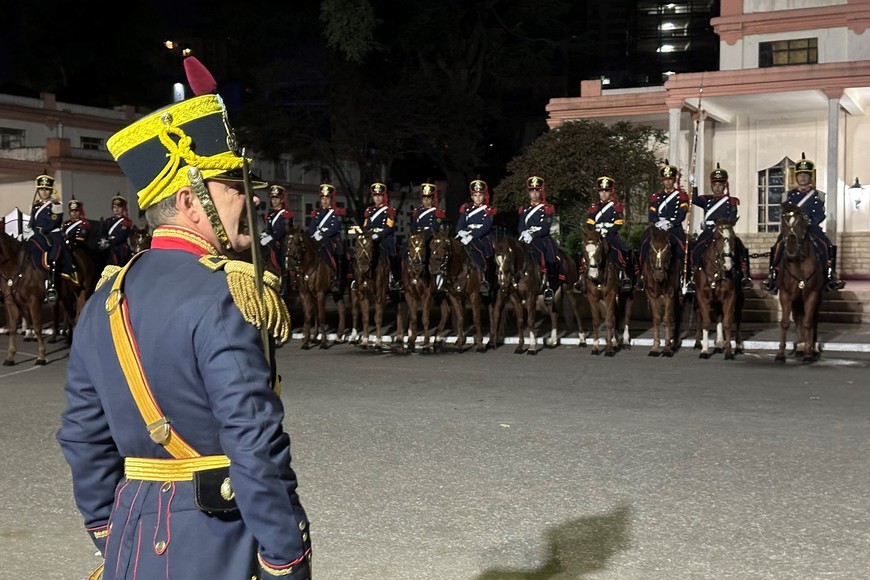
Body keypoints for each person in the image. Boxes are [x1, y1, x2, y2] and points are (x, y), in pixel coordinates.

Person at [56, 55, 311, 580]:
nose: (251, 200)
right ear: (190, 200)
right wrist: (285, 559)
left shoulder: (107, 296)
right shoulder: (223, 292)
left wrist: (111, 529)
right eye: (235, 188)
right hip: (221, 543)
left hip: (129, 538)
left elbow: (82, 435)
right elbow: (253, 445)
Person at [762, 153, 845, 293]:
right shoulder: (787, 195)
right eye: (800, 175)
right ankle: (773, 275)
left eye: (806, 175)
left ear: (810, 177)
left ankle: (830, 276)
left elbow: (820, 213)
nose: (803, 177)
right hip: (793, 227)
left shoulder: (818, 195)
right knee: (779, 245)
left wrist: (810, 221)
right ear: (796, 177)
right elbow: (785, 214)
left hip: (811, 227)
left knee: (826, 244)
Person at [688, 164, 753, 291]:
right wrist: (693, 184)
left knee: (740, 248)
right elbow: (694, 199)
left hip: (724, 231)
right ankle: (692, 277)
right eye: (715, 184)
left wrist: (722, 227)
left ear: (724, 186)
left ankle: (745, 276)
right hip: (708, 232)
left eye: (720, 184)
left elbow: (732, 217)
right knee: (697, 248)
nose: (717, 187)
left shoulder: (731, 201)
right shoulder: (706, 200)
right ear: (712, 186)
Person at [636, 161, 689, 291]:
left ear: (674, 180)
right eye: (665, 180)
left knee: (683, 248)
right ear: (662, 181)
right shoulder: (656, 197)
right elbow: (652, 212)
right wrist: (658, 222)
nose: (668, 182)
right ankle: (641, 276)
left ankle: (686, 276)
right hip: (658, 226)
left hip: (674, 227)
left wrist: (671, 223)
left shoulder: (681, 196)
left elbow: (682, 213)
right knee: (644, 242)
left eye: (670, 180)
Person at [578, 176, 636, 292]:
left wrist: (608, 231)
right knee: (583, 253)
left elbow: (619, 222)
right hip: (597, 237)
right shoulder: (594, 207)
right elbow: (590, 222)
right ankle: (580, 279)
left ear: (611, 192)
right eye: (601, 191)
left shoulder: (616, 207)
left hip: (611, 236)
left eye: (606, 191)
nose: (603, 193)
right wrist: (596, 232)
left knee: (621, 251)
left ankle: (625, 276)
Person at [26, 174, 77, 301]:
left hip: (53, 235)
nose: (44, 192)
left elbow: (54, 221)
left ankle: (52, 287)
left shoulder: (56, 204)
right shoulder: (36, 205)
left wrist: (39, 230)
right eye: (41, 189)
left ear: (51, 190)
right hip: (38, 235)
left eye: (46, 189)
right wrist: (28, 229)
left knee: (53, 257)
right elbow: (33, 221)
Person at [518, 176, 563, 302]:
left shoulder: (546, 209)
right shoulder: (525, 209)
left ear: (541, 192)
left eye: (537, 191)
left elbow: (545, 228)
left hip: (542, 238)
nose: (534, 194)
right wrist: (523, 233)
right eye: (532, 191)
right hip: (526, 238)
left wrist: (532, 235)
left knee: (549, 258)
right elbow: (521, 225)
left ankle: (549, 285)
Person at [456, 178, 498, 295]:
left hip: (482, 236)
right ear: (472, 196)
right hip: (466, 235)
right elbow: (460, 225)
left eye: (480, 195)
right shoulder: (466, 209)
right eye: (475, 195)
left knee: (485, 251)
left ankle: (486, 279)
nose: (478, 198)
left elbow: (486, 227)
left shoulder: (488, 210)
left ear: (484, 196)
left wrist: (473, 235)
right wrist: (461, 232)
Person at [308, 182, 348, 293]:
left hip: (332, 239)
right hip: (317, 239)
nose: (325, 200)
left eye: (327, 198)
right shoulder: (316, 213)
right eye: (323, 198)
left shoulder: (336, 213)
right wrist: (314, 234)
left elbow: (335, 228)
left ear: (332, 199)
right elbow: (311, 228)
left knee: (333, 252)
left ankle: (335, 275)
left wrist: (322, 235)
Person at [362, 181, 402, 291]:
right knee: (361, 253)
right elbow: (365, 226)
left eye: (380, 195)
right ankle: (360, 279)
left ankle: (396, 279)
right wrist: (369, 234)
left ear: (384, 196)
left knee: (393, 255)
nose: (377, 198)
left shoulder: (389, 211)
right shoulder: (369, 211)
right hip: (371, 238)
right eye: (375, 196)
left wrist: (378, 234)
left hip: (385, 238)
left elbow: (389, 227)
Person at [410, 182, 446, 288]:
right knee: (405, 251)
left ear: (432, 199)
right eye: (424, 198)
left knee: (434, 253)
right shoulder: (418, 212)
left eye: (428, 198)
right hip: (418, 238)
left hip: (431, 237)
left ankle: (438, 279)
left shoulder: (437, 212)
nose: (426, 201)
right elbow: (413, 226)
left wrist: (423, 236)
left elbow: (434, 227)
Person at [260, 183, 295, 276]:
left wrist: (270, 237)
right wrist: (264, 234)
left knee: (280, 255)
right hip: (273, 239)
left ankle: (283, 273)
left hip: (282, 241)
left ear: (282, 200)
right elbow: (269, 229)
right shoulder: (271, 214)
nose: (274, 201)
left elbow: (281, 231)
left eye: (277, 198)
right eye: (272, 198)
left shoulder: (286, 214)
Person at [100, 194, 133, 266]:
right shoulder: (108, 221)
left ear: (123, 208)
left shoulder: (126, 222)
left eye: (119, 207)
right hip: (108, 247)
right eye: (114, 207)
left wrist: (110, 241)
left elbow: (121, 237)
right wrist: (104, 240)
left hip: (120, 248)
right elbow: (103, 233)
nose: (116, 209)